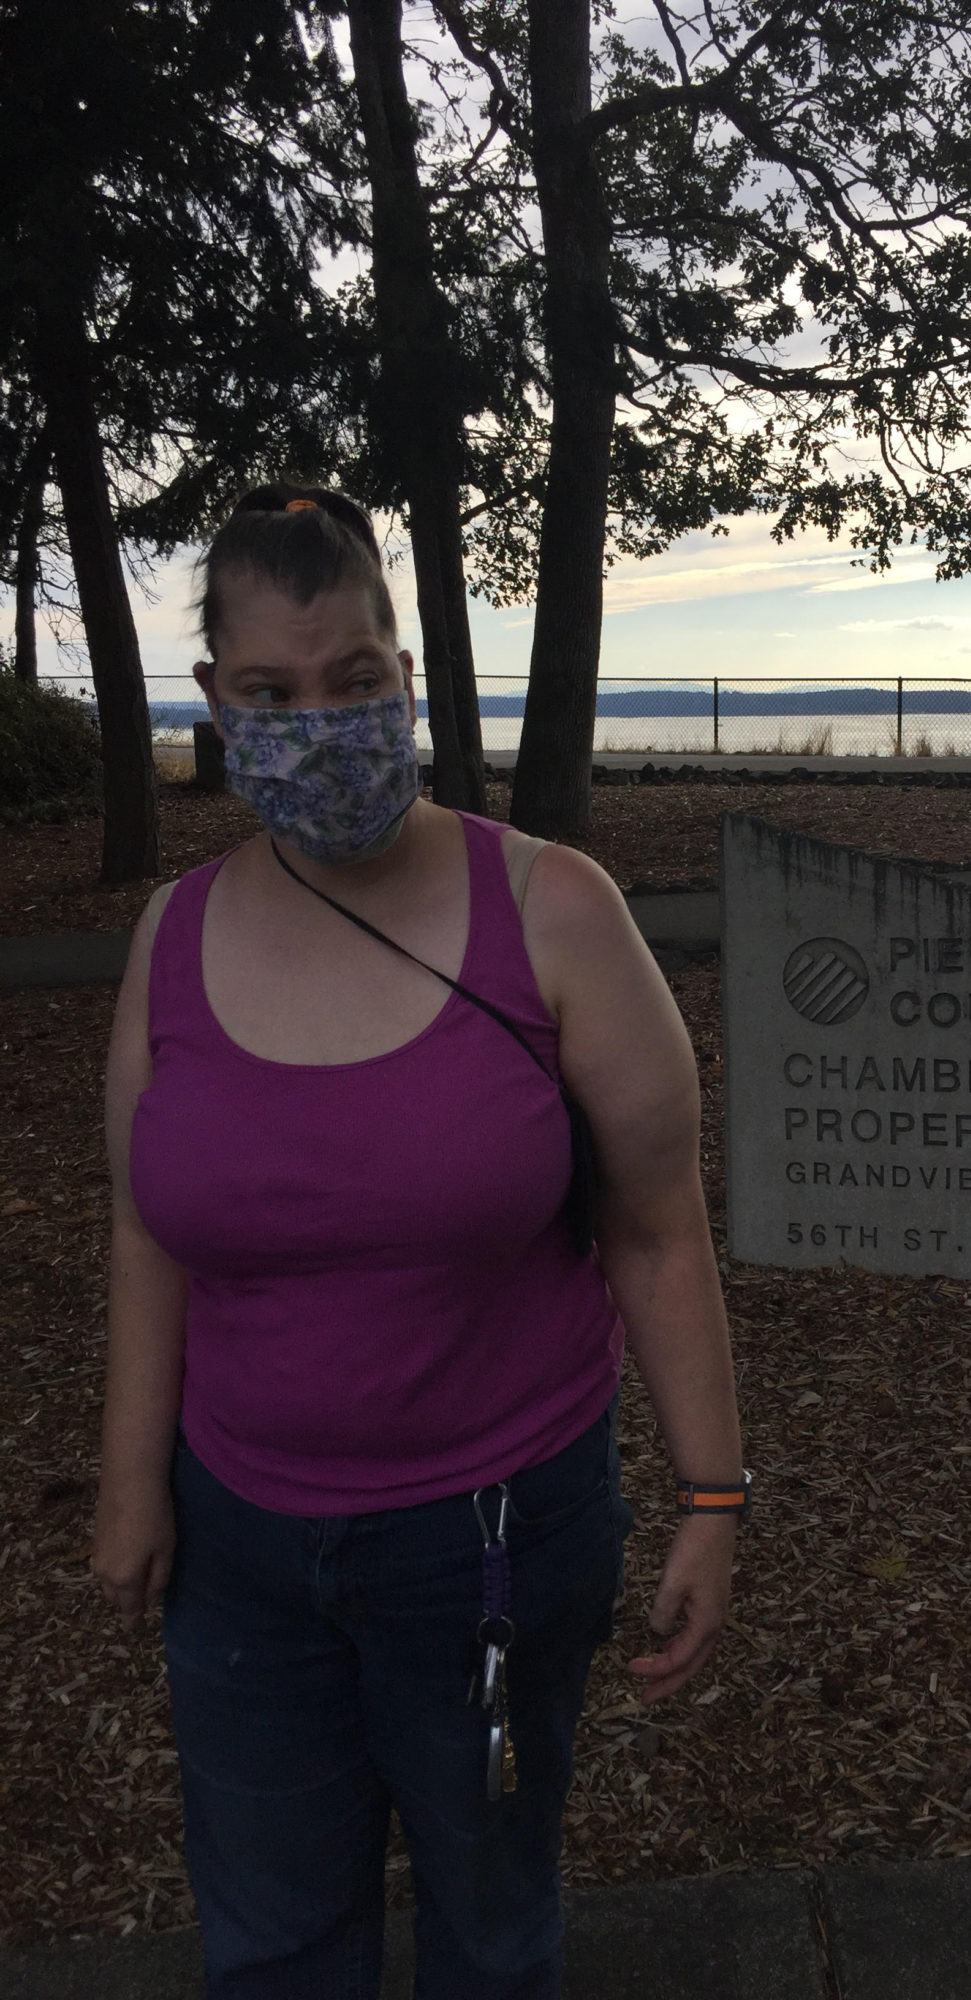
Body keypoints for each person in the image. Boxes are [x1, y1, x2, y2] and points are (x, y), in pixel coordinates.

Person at [91, 484, 748, 1999]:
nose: (317, 724)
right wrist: (133, 1481)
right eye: (270, 693)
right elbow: (147, 1228)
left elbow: (657, 1234)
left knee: (489, 1926)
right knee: (269, 1940)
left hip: (494, 1544)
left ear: (408, 674)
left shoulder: (556, 915)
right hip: (240, 1551)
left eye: (354, 683)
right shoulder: (171, 941)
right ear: (216, 702)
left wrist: (712, 1491)